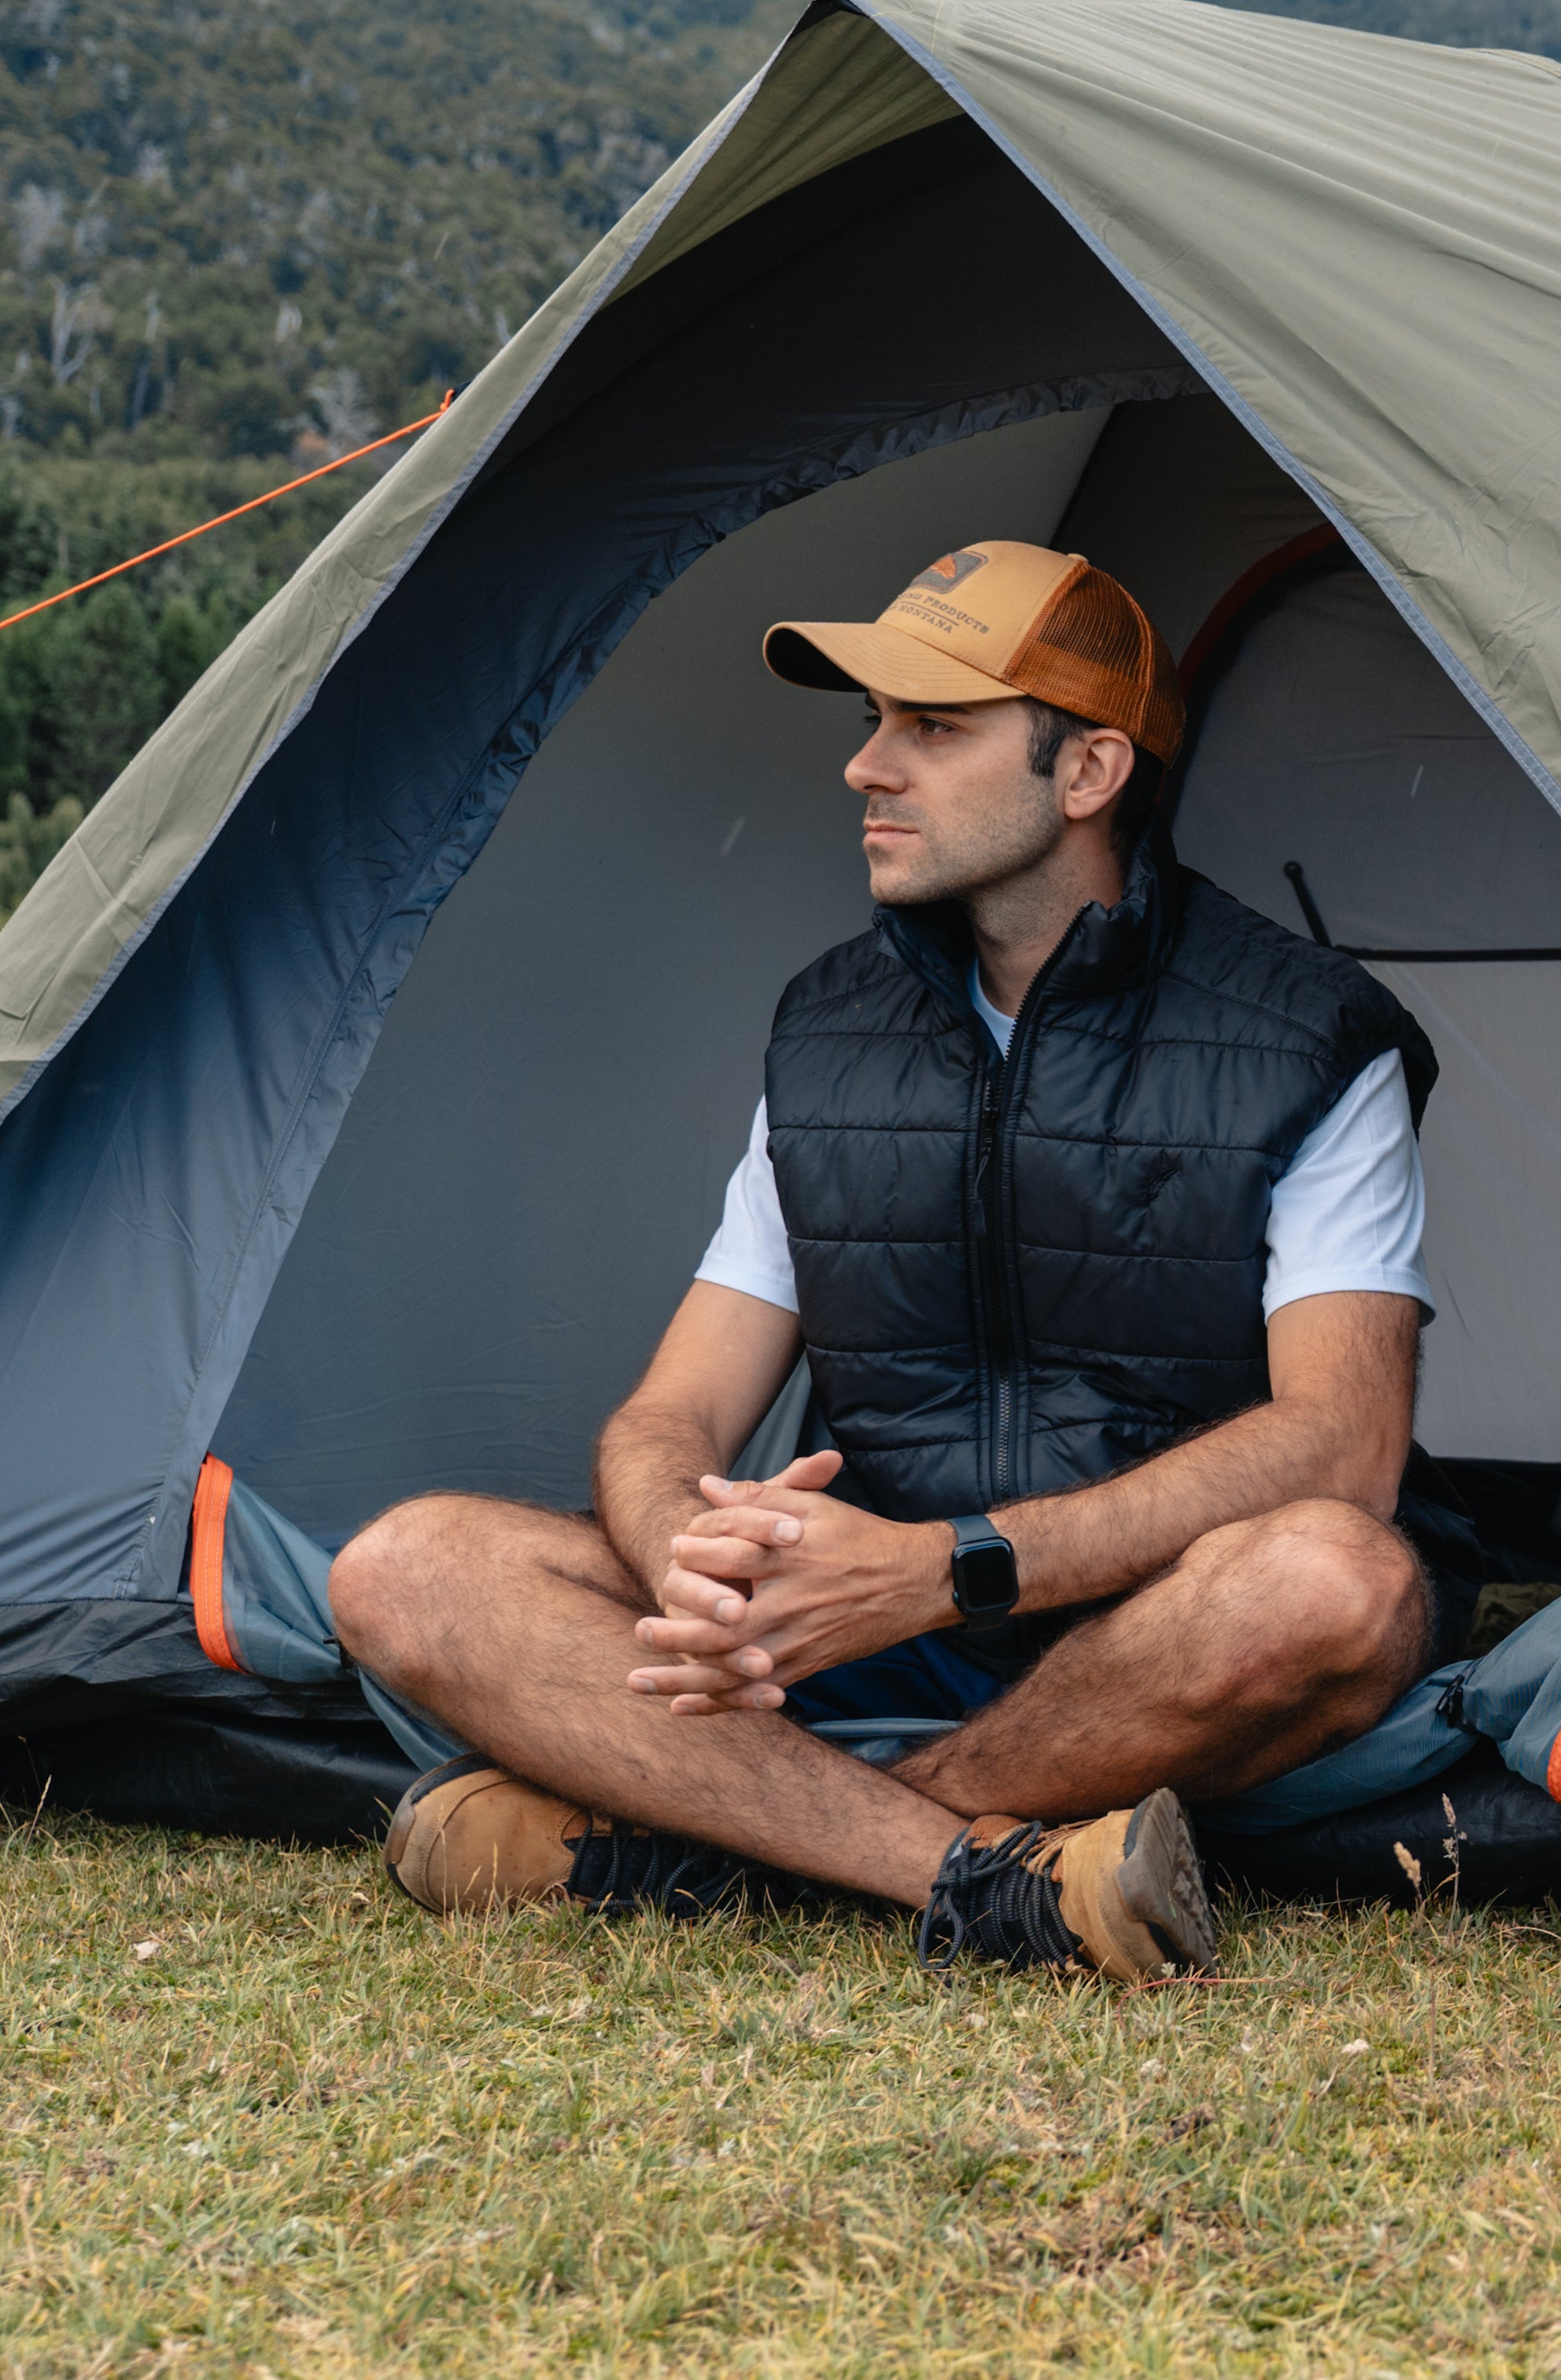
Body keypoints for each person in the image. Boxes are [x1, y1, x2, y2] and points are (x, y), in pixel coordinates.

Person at [331, 539, 1439, 1982]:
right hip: (852, 1627)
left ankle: (709, 1850)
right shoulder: (830, 1031)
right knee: (405, 1569)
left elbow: (1341, 1448)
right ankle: (977, 1877)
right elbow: (673, 1416)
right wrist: (694, 1567)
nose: (868, 767)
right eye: (871, 722)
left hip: (1147, 1630)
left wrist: (953, 1570)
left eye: (932, 726)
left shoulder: (1308, 1035)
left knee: (1339, 1582)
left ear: (1089, 773)